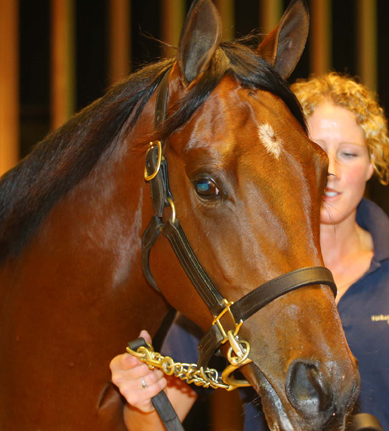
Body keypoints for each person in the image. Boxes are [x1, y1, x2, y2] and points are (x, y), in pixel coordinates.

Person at [110, 73, 389, 430]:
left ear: (372, 165)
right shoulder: (236, 277)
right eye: (317, 149)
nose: (332, 169)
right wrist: (144, 399)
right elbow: (151, 426)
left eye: (349, 154)